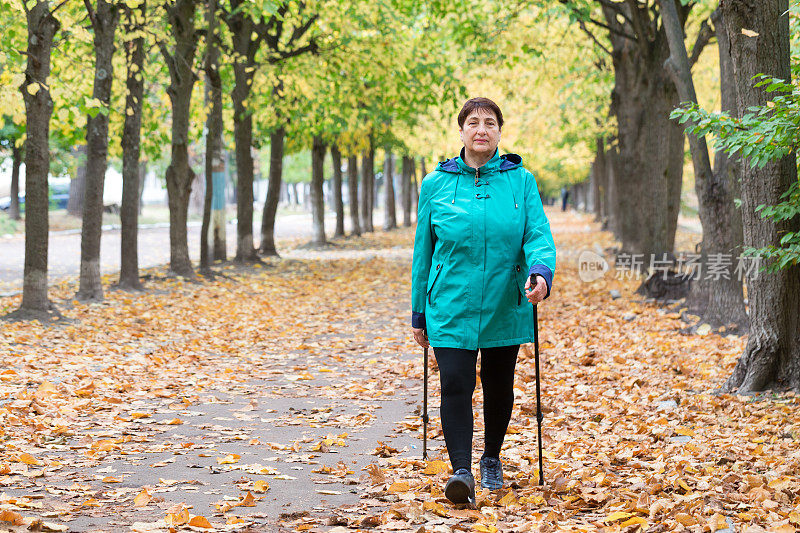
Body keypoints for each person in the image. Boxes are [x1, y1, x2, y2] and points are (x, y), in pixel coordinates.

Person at [411, 97, 556, 505]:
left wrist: (541, 273)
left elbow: (538, 236)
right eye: (473, 122)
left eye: (489, 123)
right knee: (454, 382)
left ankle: (490, 457)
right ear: (461, 131)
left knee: (498, 386)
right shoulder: (435, 184)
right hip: (450, 303)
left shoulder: (520, 181)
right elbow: (423, 251)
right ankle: (461, 471)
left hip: (503, 301)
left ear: (498, 132)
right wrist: (418, 311)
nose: (481, 129)